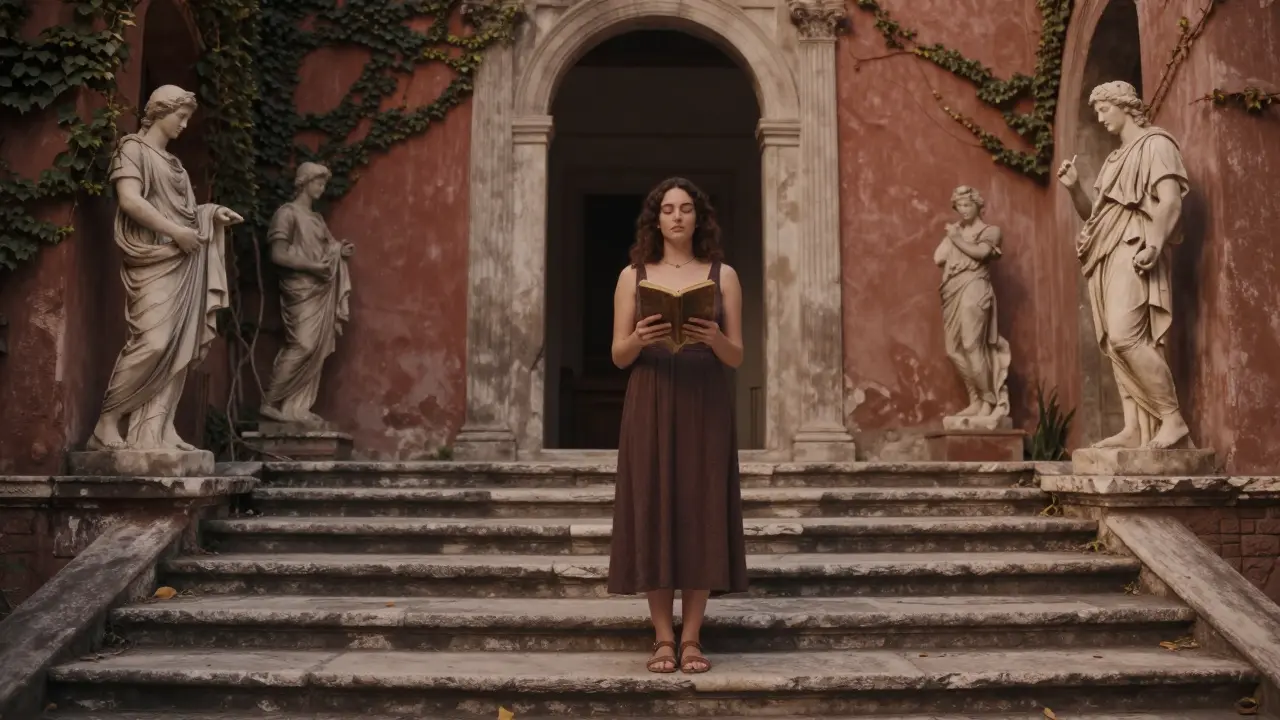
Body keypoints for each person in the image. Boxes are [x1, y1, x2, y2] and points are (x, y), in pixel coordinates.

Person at [606, 176, 748, 675]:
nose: (677, 216)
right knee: (654, 509)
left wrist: (712, 337)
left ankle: (692, 639)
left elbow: (736, 356)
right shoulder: (633, 275)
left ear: (698, 217)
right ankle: (662, 638)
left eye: (686, 208)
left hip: (705, 397)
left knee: (701, 509)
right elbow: (619, 356)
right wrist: (640, 336)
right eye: (668, 209)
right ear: (656, 218)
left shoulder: (722, 274)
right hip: (650, 396)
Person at [87, 84, 243, 451]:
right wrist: (176, 232)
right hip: (153, 258)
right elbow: (129, 200)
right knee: (154, 343)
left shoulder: (175, 165)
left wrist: (210, 214)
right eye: (181, 116)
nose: (185, 125)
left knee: (180, 345)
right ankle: (106, 423)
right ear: (160, 110)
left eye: (188, 118)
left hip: (182, 259)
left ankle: (157, 429)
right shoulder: (132, 149)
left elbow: (189, 214)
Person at [1057, 80, 1192, 449]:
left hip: (1135, 245)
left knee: (1125, 335)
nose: (1099, 118)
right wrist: (1073, 188)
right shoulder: (1115, 159)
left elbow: (1170, 202)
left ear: (1124, 106)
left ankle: (1172, 418)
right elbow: (1094, 216)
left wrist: (1154, 243)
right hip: (1106, 250)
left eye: (1103, 109)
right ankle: (1134, 428)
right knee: (1114, 344)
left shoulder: (1157, 145)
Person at [260, 162, 353, 424]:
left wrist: (339, 251)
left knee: (316, 349)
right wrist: (312, 266)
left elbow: (327, 249)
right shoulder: (286, 214)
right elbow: (278, 254)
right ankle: (270, 401)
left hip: (319, 288)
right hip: (299, 289)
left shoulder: (318, 220)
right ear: (304, 182)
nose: (322, 189)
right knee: (303, 344)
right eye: (318, 183)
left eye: (324, 184)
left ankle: (296, 408)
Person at [932, 185, 1011, 419]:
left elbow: (981, 254)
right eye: (959, 206)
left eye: (968, 205)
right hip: (952, 290)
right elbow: (938, 258)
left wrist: (956, 238)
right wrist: (954, 238)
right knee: (953, 350)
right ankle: (975, 401)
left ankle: (989, 401)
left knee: (971, 345)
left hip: (974, 287)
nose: (963, 210)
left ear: (978, 205)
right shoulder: (957, 232)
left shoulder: (991, 231)